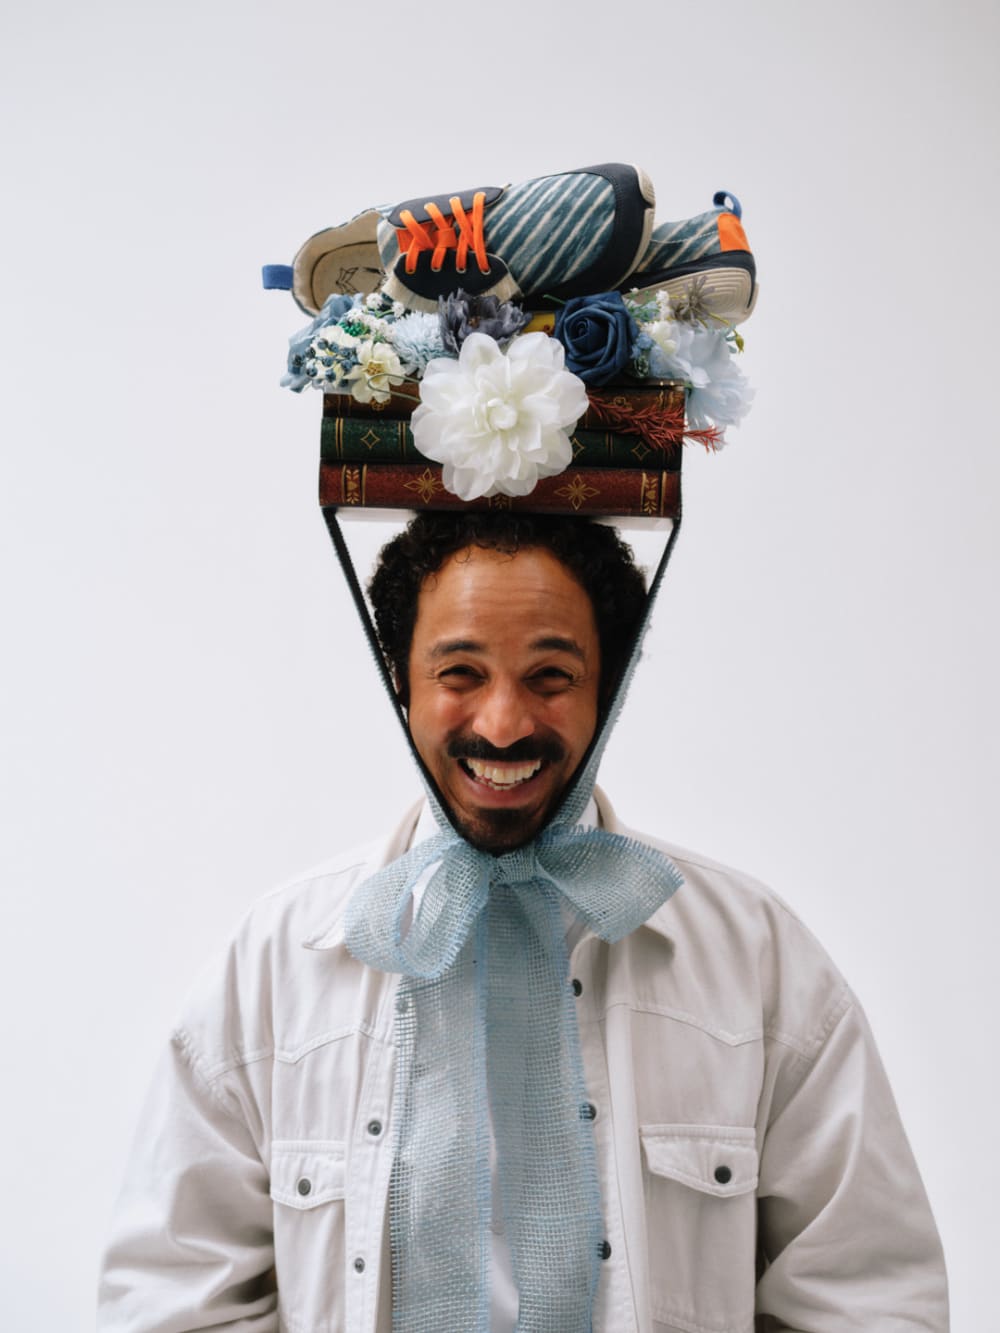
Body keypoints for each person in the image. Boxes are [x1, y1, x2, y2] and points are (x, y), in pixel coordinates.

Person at [98, 511, 948, 1332]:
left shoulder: (760, 965)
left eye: (549, 676)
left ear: (607, 686)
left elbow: (866, 1297)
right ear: (401, 678)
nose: (502, 724)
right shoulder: (274, 968)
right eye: (459, 672)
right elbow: (173, 1301)